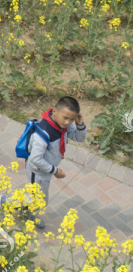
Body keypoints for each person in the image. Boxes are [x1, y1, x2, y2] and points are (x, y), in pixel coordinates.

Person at [23, 96, 86, 228]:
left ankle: (24, 211)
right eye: (66, 118)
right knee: (40, 201)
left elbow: (78, 138)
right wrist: (54, 171)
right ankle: (9, 203)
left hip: (45, 169)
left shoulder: (61, 124)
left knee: (36, 198)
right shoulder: (44, 133)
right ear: (55, 111)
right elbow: (35, 159)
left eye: (72, 119)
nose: (68, 122)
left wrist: (79, 124)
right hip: (38, 171)